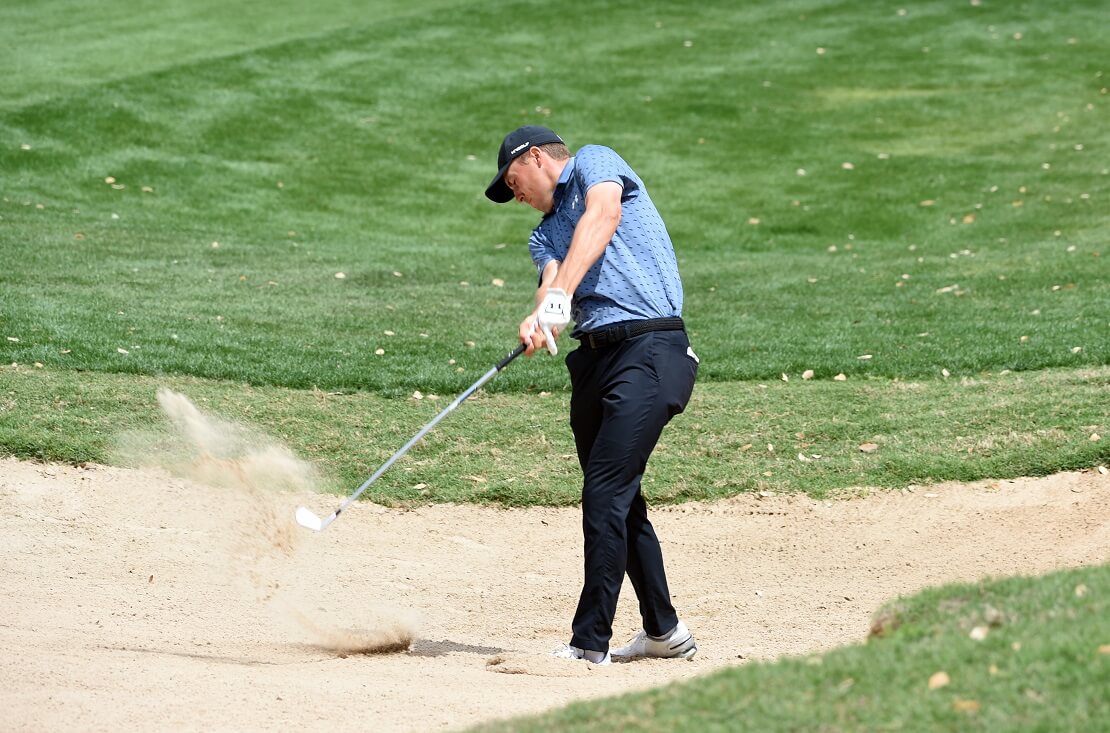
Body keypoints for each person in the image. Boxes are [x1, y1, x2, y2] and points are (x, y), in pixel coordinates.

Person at [484, 125, 699, 665]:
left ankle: (588, 643)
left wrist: (560, 295)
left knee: (605, 490)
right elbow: (551, 277)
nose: (516, 195)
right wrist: (540, 315)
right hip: (595, 362)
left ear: (537, 158)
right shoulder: (542, 234)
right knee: (620, 501)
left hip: (651, 349)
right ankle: (663, 631)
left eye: (514, 181)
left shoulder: (596, 162)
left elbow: (603, 217)